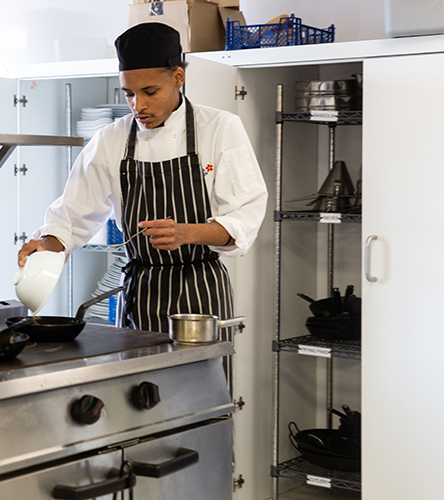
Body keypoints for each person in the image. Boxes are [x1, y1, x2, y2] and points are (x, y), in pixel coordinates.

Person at [18, 22, 267, 334]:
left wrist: (187, 233)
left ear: (178, 77)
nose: (139, 106)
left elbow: (244, 219)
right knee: (137, 383)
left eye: (150, 92)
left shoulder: (219, 128)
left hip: (201, 298)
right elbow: (71, 216)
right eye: (129, 94)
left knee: (199, 383)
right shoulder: (111, 139)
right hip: (140, 294)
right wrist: (46, 246)